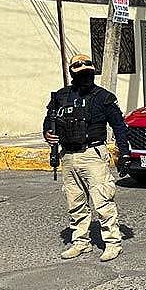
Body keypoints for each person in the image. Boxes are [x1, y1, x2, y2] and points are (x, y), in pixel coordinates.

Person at [42, 53, 131, 262]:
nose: (85, 76)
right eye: (80, 72)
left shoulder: (103, 97)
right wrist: (47, 133)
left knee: (102, 201)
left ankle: (112, 243)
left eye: (87, 72)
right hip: (68, 156)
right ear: (73, 73)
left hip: (93, 154)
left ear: (92, 72)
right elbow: (48, 122)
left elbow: (119, 126)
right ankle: (81, 242)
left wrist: (124, 153)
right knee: (75, 202)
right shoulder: (60, 97)